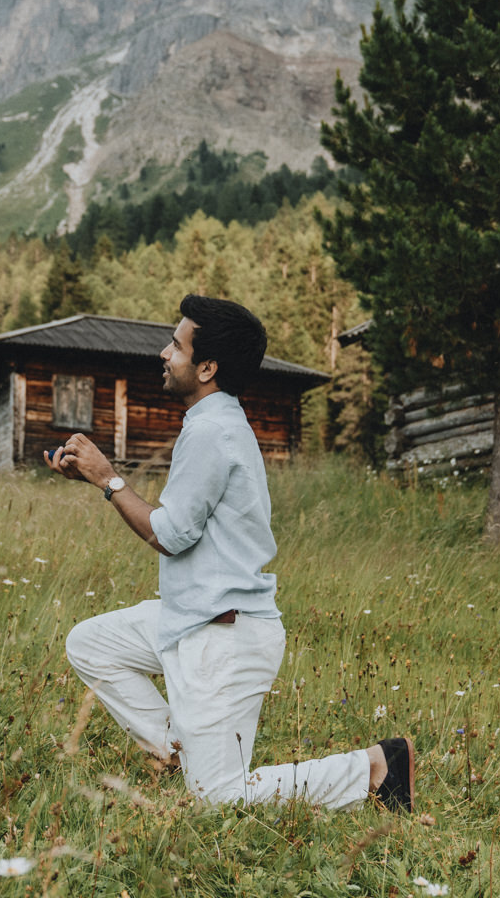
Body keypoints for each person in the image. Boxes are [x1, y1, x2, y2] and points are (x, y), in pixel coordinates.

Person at [46, 294, 414, 811]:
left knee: (216, 798)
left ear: (207, 367)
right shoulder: (211, 423)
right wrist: (95, 479)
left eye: (175, 345)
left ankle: (374, 768)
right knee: (91, 644)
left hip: (225, 636)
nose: (163, 353)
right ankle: (177, 747)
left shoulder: (214, 430)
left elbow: (169, 534)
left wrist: (107, 480)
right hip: (192, 618)